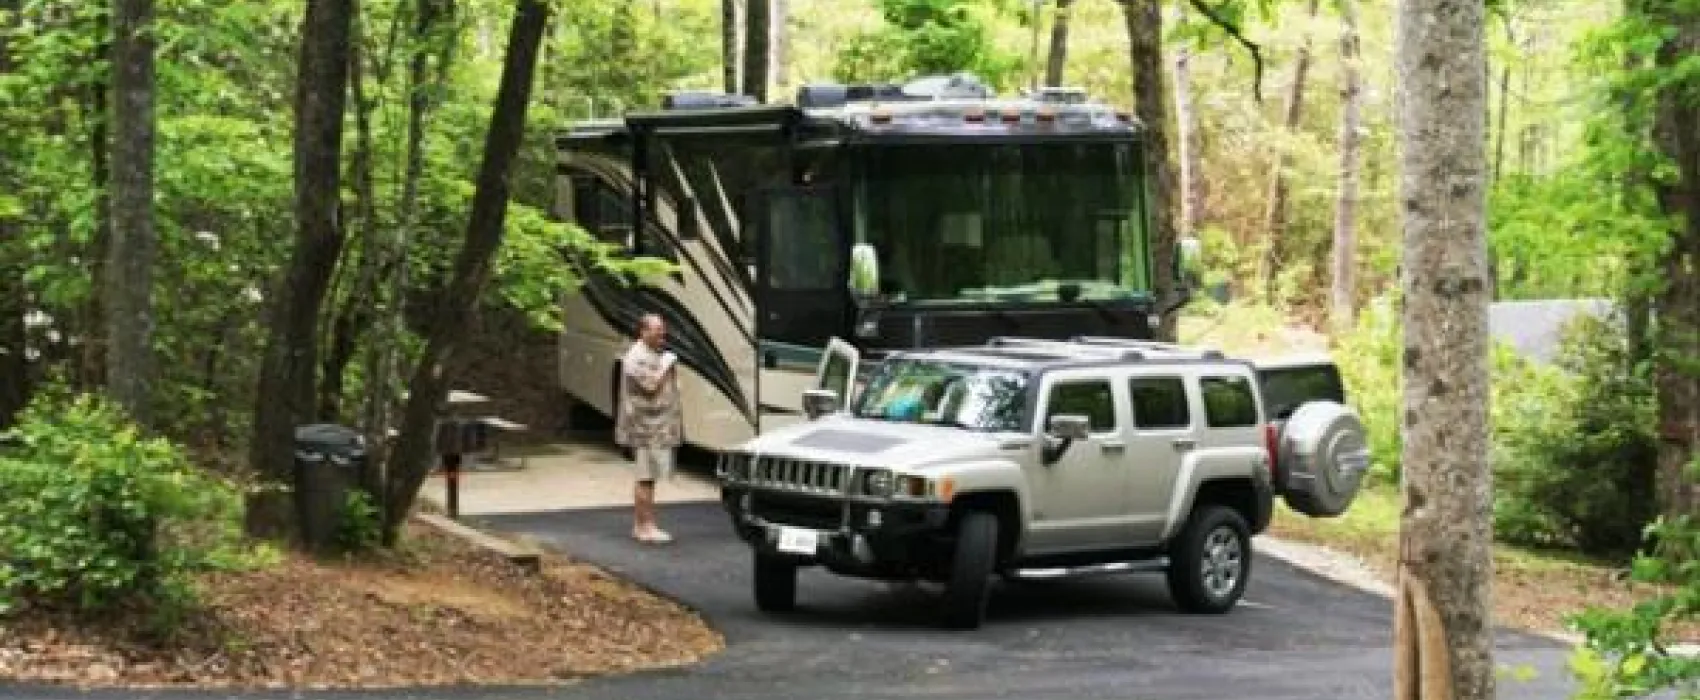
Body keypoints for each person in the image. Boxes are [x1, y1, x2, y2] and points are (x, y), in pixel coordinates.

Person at [615, 314, 682, 544]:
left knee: (650, 477)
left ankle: (643, 524)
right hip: (644, 428)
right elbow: (650, 384)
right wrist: (667, 363)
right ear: (643, 332)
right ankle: (645, 527)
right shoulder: (635, 357)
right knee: (645, 476)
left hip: (655, 427)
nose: (662, 334)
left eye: (663, 330)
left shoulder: (653, 354)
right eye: (657, 330)